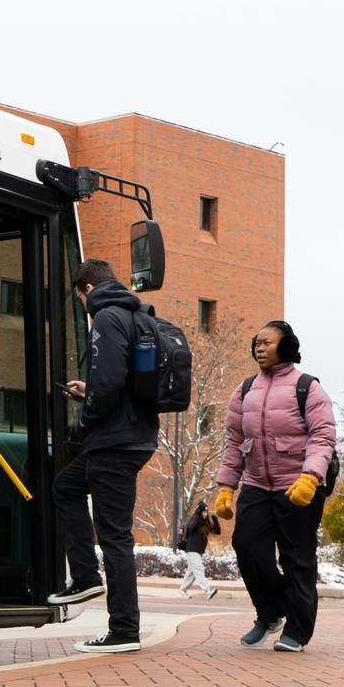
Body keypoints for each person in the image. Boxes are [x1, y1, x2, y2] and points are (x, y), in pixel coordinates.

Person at [49, 259, 160, 654]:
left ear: (87, 289)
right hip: (132, 435)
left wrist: (85, 419)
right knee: (66, 487)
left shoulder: (107, 317)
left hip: (114, 441)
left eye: (80, 298)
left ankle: (124, 630)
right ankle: (84, 576)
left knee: (114, 535)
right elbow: (123, 380)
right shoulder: (138, 316)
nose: (82, 305)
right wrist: (89, 391)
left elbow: (110, 382)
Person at [214, 320, 337, 652]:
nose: (260, 347)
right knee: (246, 546)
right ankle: (270, 614)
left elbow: (323, 437)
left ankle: (297, 631)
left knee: (297, 558)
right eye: (257, 342)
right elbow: (234, 442)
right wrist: (226, 486)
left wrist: (310, 477)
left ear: (286, 346)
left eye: (267, 342)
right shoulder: (244, 390)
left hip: (297, 485)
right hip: (257, 484)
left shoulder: (308, 388)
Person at [177, 500, 220, 599]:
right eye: (203, 512)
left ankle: (182, 591)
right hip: (191, 550)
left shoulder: (205, 523)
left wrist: (215, 520)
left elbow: (217, 532)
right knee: (199, 569)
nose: (205, 514)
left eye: (206, 512)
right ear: (199, 512)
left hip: (199, 551)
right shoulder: (194, 520)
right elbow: (190, 527)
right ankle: (208, 590)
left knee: (191, 573)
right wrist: (197, 515)